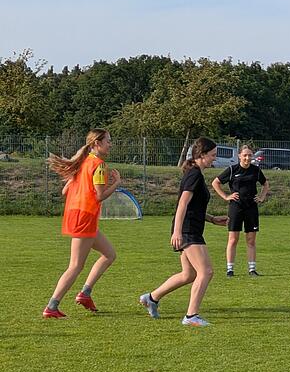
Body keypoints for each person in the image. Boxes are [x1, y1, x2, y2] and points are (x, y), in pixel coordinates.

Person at [139, 137, 228, 327]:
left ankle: (151, 298)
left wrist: (211, 219)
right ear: (202, 155)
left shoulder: (196, 173)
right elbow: (182, 204)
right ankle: (191, 316)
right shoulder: (194, 174)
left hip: (190, 228)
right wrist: (177, 232)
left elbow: (193, 207)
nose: (215, 158)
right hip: (187, 231)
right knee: (206, 271)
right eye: (212, 155)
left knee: (189, 274)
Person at [43, 129, 121, 318]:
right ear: (97, 143)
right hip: (84, 218)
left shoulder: (82, 163)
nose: (110, 144)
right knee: (76, 265)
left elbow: (64, 191)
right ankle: (52, 307)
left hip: (78, 216)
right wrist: (116, 183)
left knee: (109, 255)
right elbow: (100, 195)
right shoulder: (99, 165)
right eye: (108, 141)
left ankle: (85, 294)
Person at [211, 145, 269, 277]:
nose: (248, 158)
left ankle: (252, 269)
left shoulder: (256, 170)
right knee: (233, 239)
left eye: (250, 155)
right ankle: (230, 269)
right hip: (236, 207)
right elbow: (215, 182)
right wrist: (226, 196)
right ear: (239, 156)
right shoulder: (232, 170)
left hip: (251, 208)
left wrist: (261, 197)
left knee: (251, 240)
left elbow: (265, 184)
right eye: (245, 155)